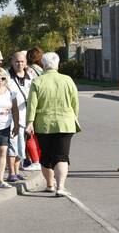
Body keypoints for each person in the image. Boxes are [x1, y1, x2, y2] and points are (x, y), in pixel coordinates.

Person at [25, 52, 80, 197]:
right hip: (65, 123)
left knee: (46, 156)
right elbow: (75, 102)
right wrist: (73, 116)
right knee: (62, 156)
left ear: (43, 64)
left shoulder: (38, 81)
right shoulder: (67, 80)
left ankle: (50, 184)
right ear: (57, 64)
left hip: (43, 124)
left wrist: (30, 122)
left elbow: (32, 105)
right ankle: (60, 187)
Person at [6, 51, 33, 182]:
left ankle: (16, 171)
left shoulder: (30, 76)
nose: (19, 64)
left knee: (21, 146)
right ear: (12, 61)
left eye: (22, 61)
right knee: (12, 145)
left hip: (24, 116)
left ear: (26, 62)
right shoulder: (6, 76)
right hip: (10, 117)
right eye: (17, 61)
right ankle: (11, 172)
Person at [23, 46, 44, 170]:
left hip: (30, 103)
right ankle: (40, 158)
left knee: (29, 134)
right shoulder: (42, 70)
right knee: (38, 135)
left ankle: (34, 160)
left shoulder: (29, 71)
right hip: (42, 104)